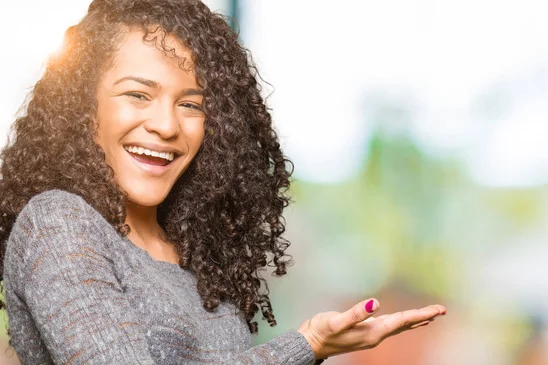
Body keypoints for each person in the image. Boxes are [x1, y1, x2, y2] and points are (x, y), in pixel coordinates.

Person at [0, 0, 446, 364]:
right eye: (138, 94)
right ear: (82, 106)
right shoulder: (58, 222)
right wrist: (302, 346)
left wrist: (312, 343)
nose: (166, 125)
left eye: (191, 104)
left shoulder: (192, 249)